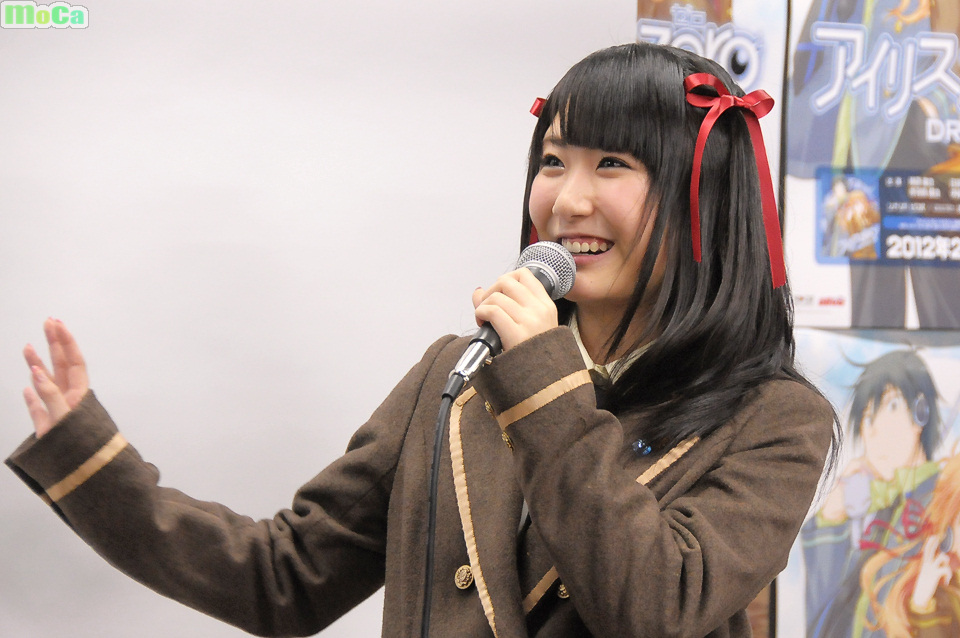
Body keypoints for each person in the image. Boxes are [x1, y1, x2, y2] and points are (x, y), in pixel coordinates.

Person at [7, 42, 838, 637]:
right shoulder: (460, 372)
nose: (565, 201)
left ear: (704, 197)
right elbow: (283, 579)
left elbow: (656, 606)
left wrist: (543, 383)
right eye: (553, 161)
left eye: (612, 164)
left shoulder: (774, 419)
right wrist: (91, 459)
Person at [802, 350, 942, 638]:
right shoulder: (873, 510)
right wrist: (830, 523)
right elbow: (823, 626)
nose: (875, 429)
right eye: (867, 417)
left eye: (891, 407)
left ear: (921, 412)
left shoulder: (943, 500)